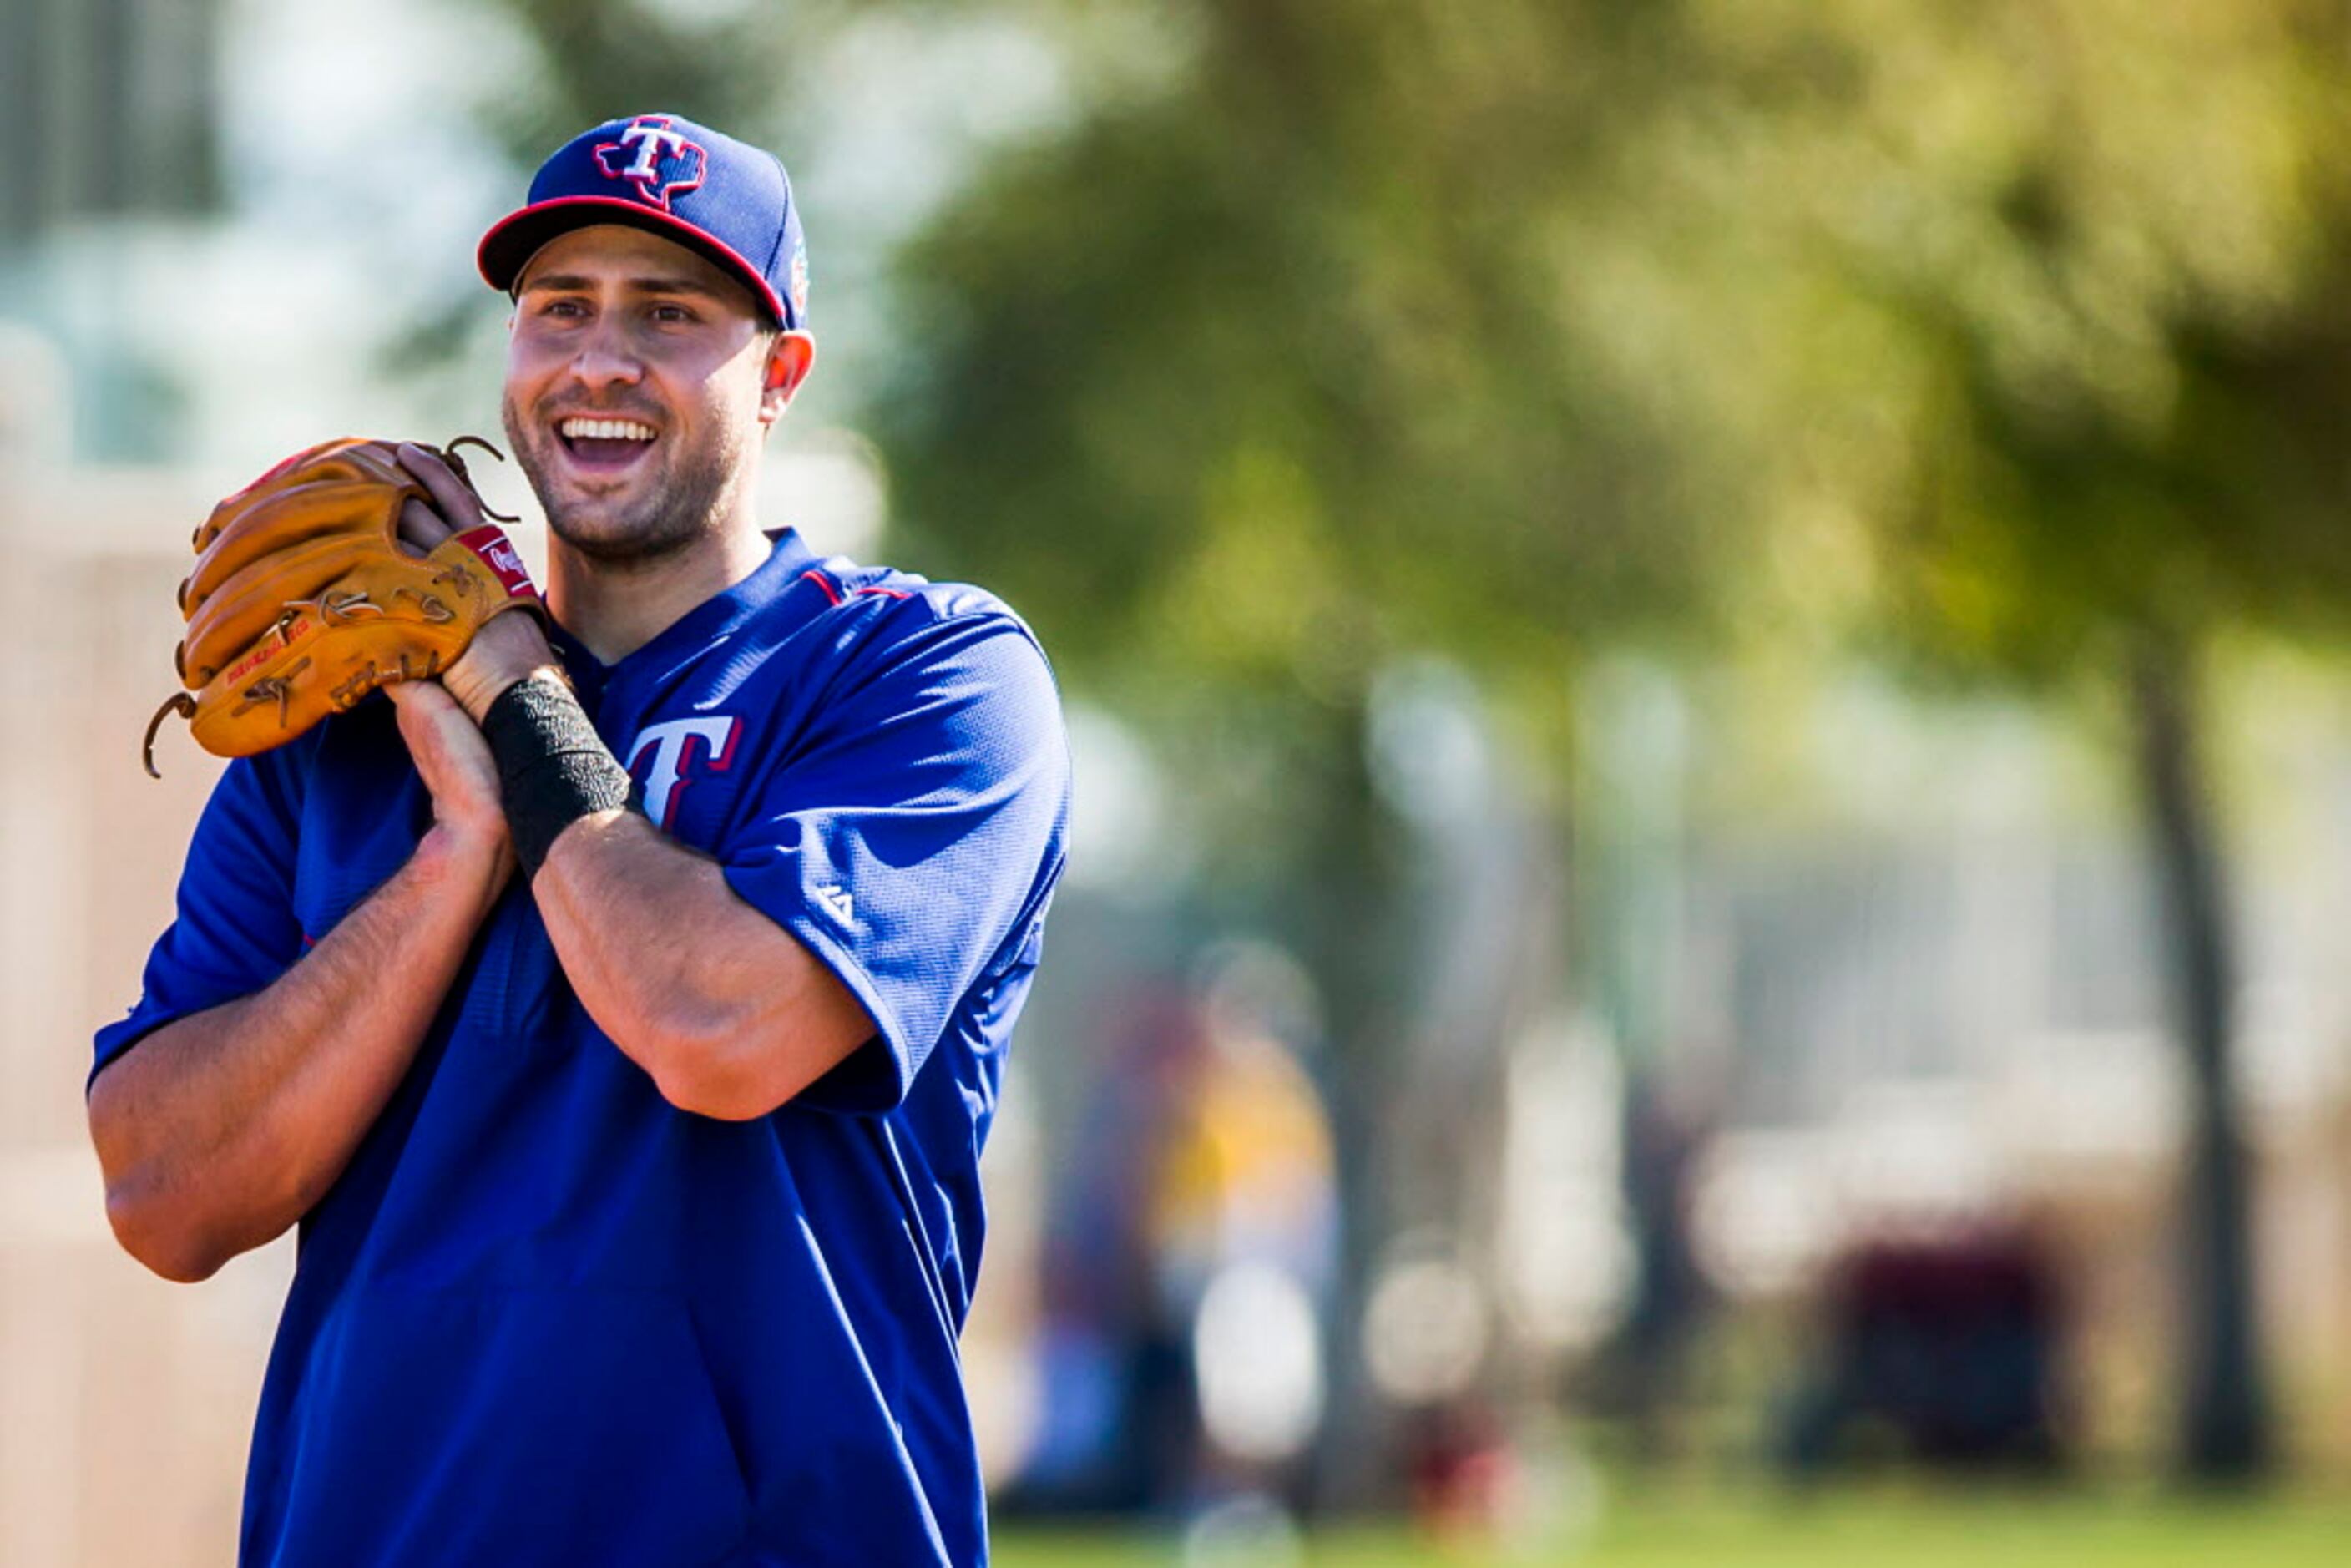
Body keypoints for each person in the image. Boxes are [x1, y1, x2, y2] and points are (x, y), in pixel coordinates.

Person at [86, 112, 1071, 1567]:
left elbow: (714, 1023)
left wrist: (514, 694)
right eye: (562, 308)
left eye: (669, 314)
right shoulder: (353, 718)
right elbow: (162, 1193)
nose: (601, 359)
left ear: (779, 372)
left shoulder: (919, 676)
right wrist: (451, 860)